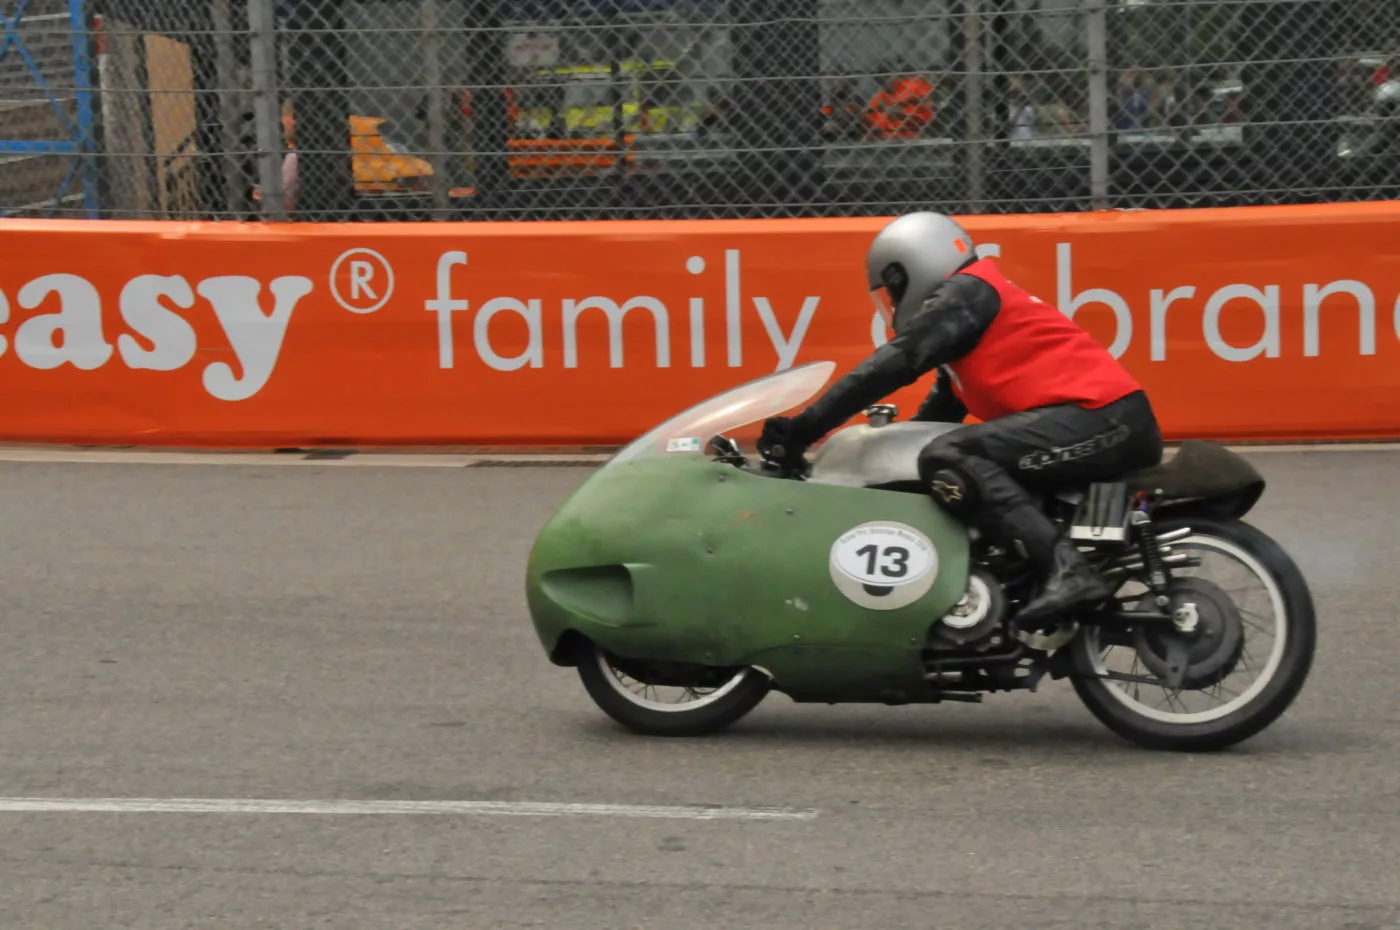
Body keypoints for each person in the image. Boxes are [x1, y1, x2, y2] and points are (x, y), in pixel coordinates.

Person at [757, 212, 1164, 627]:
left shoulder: (968, 293)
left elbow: (896, 362)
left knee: (949, 454)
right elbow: (927, 424)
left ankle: (1069, 569)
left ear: (917, 265)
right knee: (939, 458)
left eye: (893, 292)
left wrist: (805, 428)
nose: (895, 306)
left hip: (1106, 420)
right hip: (1095, 421)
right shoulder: (969, 325)